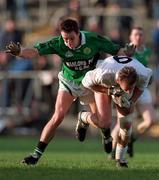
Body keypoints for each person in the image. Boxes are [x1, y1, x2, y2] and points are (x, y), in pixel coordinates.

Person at [5, 18, 135, 165]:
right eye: (65, 39)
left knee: (104, 122)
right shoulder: (59, 42)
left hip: (92, 83)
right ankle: (36, 155)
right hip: (69, 82)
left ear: (79, 33)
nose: (68, 43)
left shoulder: (93, 39)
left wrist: (127, 52)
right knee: (58, 116)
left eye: (71, 38)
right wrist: (20, 52)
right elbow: (35, 51)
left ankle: (90, 122)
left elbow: (117, 50)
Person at [80, 55, 152, 167]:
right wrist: (109, 91)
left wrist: (132, 101)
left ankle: (120, 159)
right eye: (127, 89)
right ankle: (83, 117)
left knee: (126, 126)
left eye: (131, 88)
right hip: (105, 85)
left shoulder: (143, 74)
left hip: (118, 84)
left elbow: (141, 88)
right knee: (104, 123)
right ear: (118, 80)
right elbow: (86, 83)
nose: (129, 92)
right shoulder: (103, 74)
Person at [110, 26, 157, 159]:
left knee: (151, 120)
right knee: (122, 123)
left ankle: (131, 139)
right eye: (135, 34)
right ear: (130, 37)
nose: (138, 37)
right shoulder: (126, 50)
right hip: (127, 88)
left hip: (141, 88)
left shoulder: (146, 51)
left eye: (141, 34)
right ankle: (114, 150)